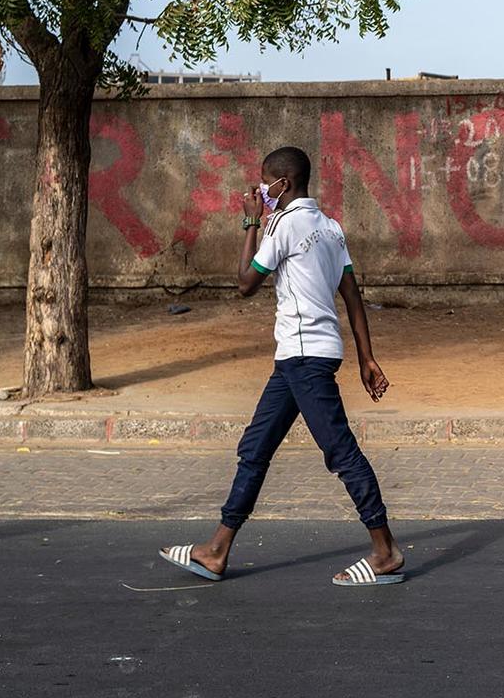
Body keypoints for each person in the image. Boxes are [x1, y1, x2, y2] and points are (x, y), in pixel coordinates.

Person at [156, 144, 405, 586]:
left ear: (282, 184)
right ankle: (217, 550)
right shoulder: (331, 227)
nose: (260, 189)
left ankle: (385, 551)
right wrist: (365, 356)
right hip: (301, 357)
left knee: (341, 452)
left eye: (264, 182)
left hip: (304, 358)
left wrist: (252, 223)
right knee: (255, 449)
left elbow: (245, 284)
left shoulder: (284, 225)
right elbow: (352, 295)